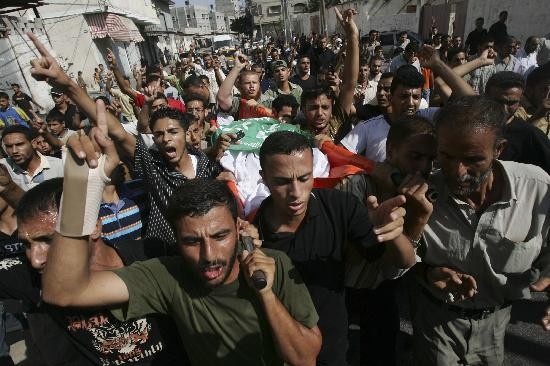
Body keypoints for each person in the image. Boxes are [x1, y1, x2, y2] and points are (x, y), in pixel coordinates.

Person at [41, 139, 323, 365]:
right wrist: (81, 190)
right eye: (191, 241)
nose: (209, 254)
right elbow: (63, 291)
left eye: (220, 236)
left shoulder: (274, 265)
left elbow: (304, 358)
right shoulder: (167, 275)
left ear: (239, 228)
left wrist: (266, 294)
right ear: (175, 239)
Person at [25, 32, 223, 247]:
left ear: (187, 134)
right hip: (166, 252)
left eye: (173, 132)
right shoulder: (153, 166)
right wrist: (68, 85)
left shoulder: (205, 166)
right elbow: (117, 131)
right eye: (158, 134)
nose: (166, 138)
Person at [254, 130, 416, 365]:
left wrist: (393, 233)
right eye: (282, 182)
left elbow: (404, 261)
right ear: (264, 178)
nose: (296, 193)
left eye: (304, 178)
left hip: (333, 350)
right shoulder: (252, 232)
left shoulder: (339, 206)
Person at [410, 95, 550, 365]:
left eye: (473, 159)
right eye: (446, 156)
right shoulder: (423, 192)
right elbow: (397, 263)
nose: (457, 170)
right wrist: (426, 272)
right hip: (436, 323)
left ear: (499, 149)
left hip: (496, 325)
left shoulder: (537, 189)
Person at [0, 177, 189, 365]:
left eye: (49, 241)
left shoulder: (151, 254)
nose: (35, 260)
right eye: (26, 244)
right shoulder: (33, 277)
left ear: (94, 227)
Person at [341, 46, 475, 162]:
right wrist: (373, 169)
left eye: (416, 97)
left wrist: (438, 65)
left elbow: (472, 105)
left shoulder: (429, 118)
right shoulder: (368, 128)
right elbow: (339, 155)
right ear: (391, 97)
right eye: (404, 96)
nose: (411, 103)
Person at [299, 8, 360, 143]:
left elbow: (350, 83)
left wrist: (352, 36)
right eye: (313, 108)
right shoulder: (297, 133)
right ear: (303, 110)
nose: (320, 113)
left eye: (325, 107)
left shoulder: (338, 120)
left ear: (333, 107)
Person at [485, 71, 550, 172]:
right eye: (498, 102)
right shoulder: (473, 126)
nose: (504, 109)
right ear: (485, 97)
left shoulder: (531, 136)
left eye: (511, 103)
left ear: (521, 101)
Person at [0, 125, 63, 191]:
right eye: (9, 146)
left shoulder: (58, 166)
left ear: (34, 143)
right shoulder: (3, 167)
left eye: (19, 144)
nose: (14, 151)